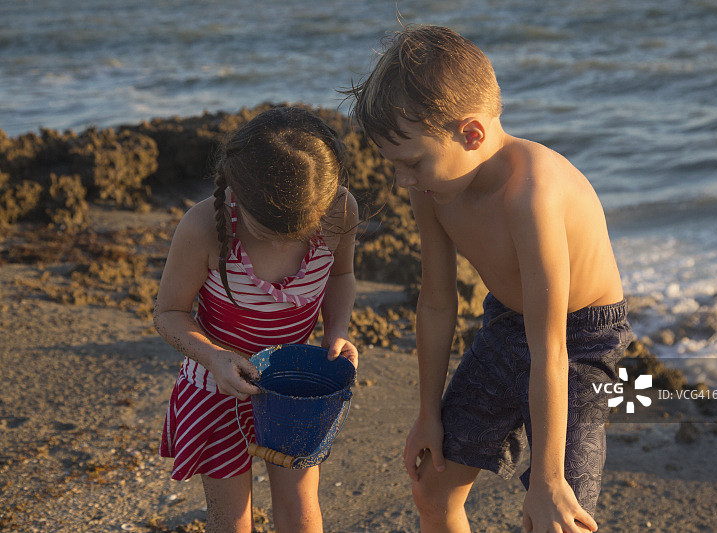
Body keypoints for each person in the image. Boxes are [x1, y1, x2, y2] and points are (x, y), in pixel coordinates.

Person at [346, 25, 633, 533]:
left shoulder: (532, 195)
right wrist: (428, 414)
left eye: (412, 162)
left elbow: (551, 347)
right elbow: (437, 303)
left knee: (560, 515)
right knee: (433, 487)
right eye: (395, 167)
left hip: (579, 343)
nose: (402, 179)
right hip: (505, 325)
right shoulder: (430, 190)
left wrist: (547, 478)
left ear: (471, 134)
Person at [153, 107, 359, 533]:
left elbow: (341, 275)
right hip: (217, 388)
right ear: (236, 192)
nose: (286, 244)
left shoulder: (339, 211)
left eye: (300, 233)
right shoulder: (204, 227)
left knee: (301, 506)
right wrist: (215, 357)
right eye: (269, 232)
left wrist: (337, 329)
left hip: (293, 388)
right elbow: (168, 313)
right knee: (231, 519)